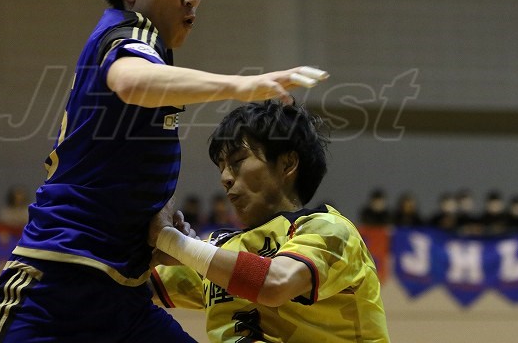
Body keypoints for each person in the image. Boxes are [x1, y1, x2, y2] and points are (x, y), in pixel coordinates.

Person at [0, 0, 329, 343]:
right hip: (56, 287)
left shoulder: (150, 42)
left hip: (125, 298)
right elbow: (133, 81)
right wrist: (240, 86)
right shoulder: (125, 36)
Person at [149, 101, 390, 342]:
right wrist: (152, 252)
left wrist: (171, 241)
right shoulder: (219, 248)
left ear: (287, 164)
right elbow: (135, 288)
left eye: (237, 161)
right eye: (221, 167)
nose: (225, 177)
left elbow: (276, 283)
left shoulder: (330, 229)